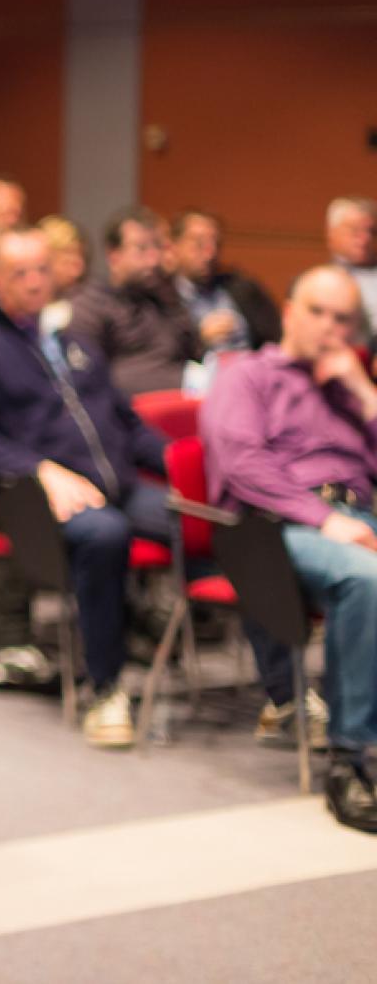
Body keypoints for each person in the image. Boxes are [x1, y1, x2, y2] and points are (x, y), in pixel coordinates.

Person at [0, 227, 174, 748]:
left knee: (208, 520)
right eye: (20, 273)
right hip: (35, 502)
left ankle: (278, 689)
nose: (34, 282)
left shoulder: (74, 344)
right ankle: (104, 686)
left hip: (120, 484)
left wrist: (179, 461)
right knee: (104, 535)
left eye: (42, 270)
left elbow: (124, 421)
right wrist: (39, 470)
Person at [200, 266, 377, 832]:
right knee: (365, 578)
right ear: (290, 310)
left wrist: (362, 390)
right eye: (318, 311)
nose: (329, 327)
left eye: (343, 318)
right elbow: (244, 465)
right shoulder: (245, 374)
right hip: (278, 526)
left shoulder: (348, 386)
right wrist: (326, 519)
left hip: (356, 513)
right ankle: (352, 760)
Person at [70, 206, 200, 399]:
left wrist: (169, 284)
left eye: (157, 247)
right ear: (113, 255)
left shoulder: (163, 298)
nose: (154, 259)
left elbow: (192, 352)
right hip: (130, 415)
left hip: (182, 405)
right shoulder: (90, 305)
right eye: (142, 249)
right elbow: (88, 381)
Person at [171, 208, 280, 356]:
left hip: (248, 371)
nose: (210, 253)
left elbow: (276, 339)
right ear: (174, 246)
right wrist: (199, 339)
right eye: (199, 243)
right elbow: (156, 359)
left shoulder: (242, 288)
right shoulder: (160, 298)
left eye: (216, 243)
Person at [325, 197, 377, 339]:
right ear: (331, 233)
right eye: (355, 230)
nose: (365, 238)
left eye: (371, 231)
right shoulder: (319, 282)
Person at [37, 214, 90, 336]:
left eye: (80, 256)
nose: (79, 269)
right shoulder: (23, 308)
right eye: (67, 259)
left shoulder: (88, 305)